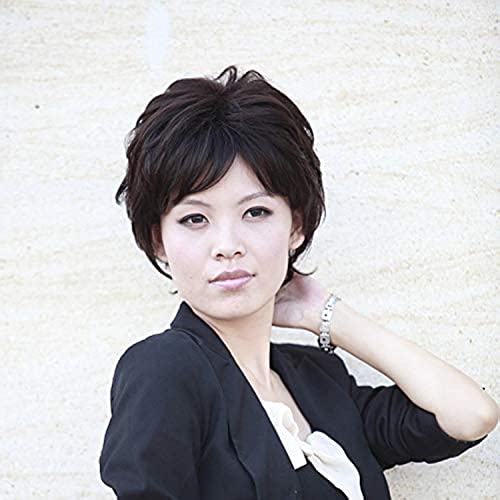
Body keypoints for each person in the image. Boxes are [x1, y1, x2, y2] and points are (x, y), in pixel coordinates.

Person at [99, 66, 498, 499]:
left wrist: (326, 315)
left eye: (255, 212)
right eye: (195, 218)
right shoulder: (164, 369)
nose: (227, 246)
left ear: (296, 227)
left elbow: (470, 415)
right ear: (158, 240)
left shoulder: (318, 381)